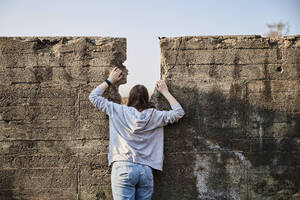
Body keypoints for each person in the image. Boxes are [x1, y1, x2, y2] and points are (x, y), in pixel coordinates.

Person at [89, 67, 185, 200]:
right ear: (147, 98)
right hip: (146, 170)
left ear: (130, 97)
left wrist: (110, 80)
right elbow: (178, 112)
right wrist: (165, 91)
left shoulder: (118, 110)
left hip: (123, 166)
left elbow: (93, 97)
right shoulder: (154, 116)